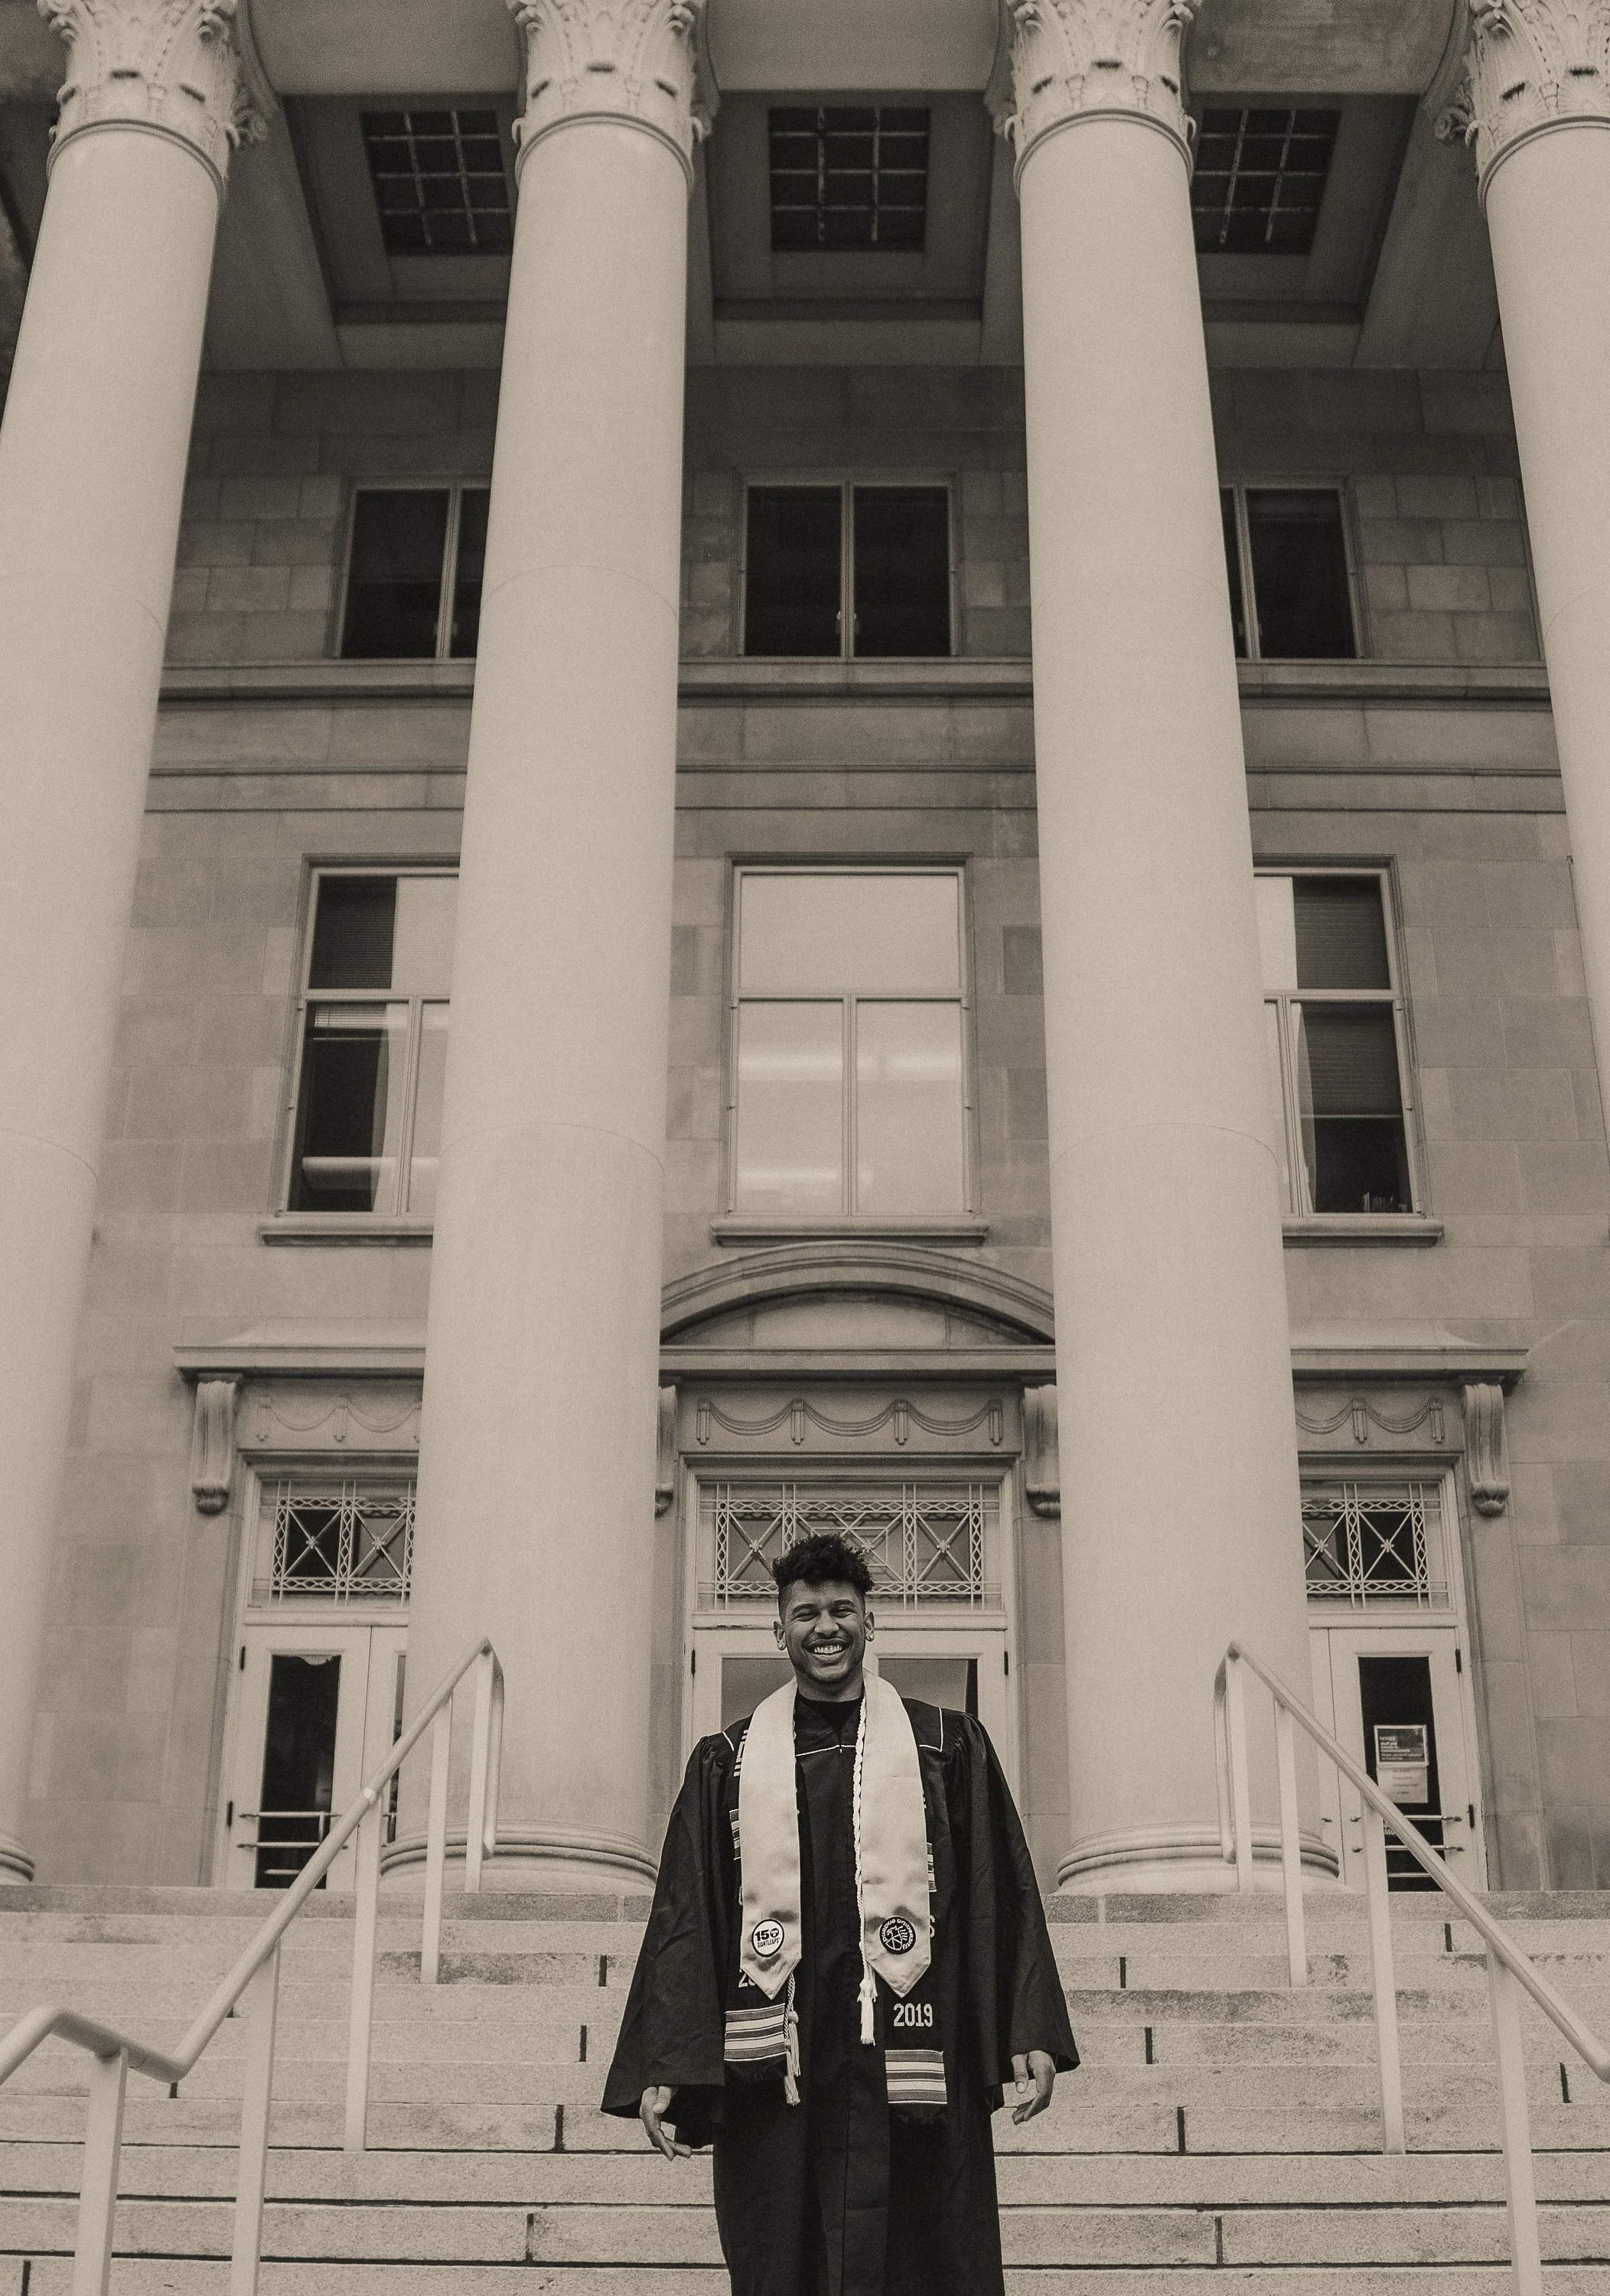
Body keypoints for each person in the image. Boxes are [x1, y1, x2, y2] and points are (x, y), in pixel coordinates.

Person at [603, 1531, 1078, 2294]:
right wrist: (669, 2062)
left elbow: (1000, 1889)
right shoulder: (727, 1760)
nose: (825, 1627)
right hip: (783, 2060)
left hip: (910, 2051)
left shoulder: (946, 1746)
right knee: (783, 2253)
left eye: (841, 1610)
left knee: (925, 2254)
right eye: (806, 1613)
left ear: (869, 1619)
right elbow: (687, 1915)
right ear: (777, 1629)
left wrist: (1025, 2029)